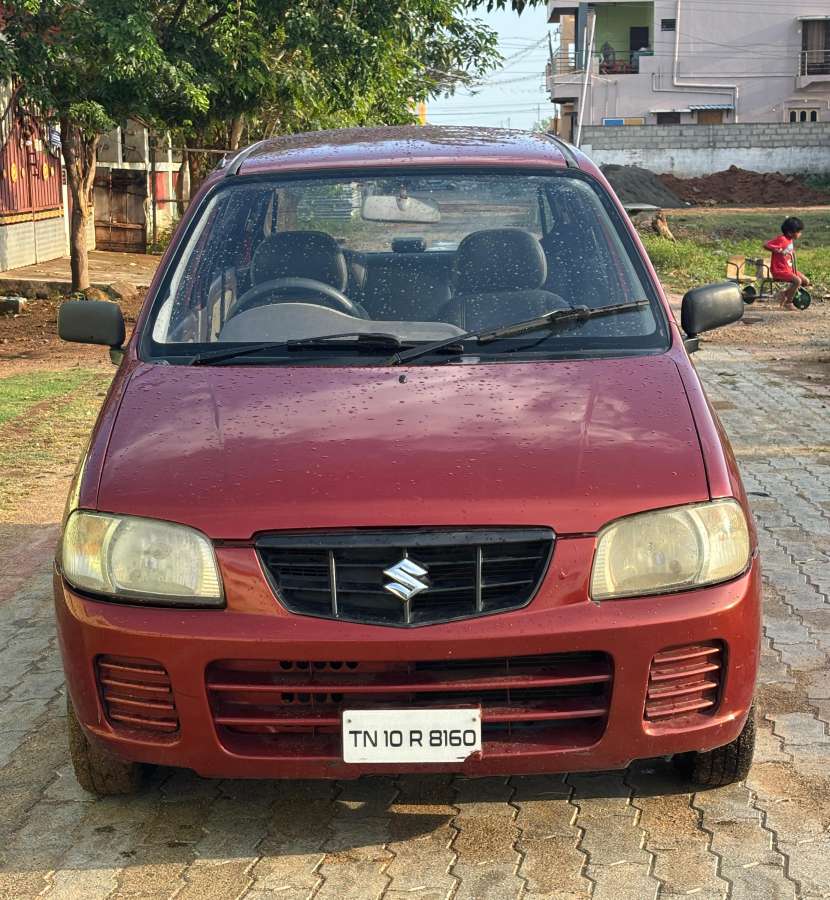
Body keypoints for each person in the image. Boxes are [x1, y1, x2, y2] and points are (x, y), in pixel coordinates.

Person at [764, 216, 810, 310]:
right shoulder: (781, 239)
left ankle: (785, 293)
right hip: (779, 270)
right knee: (797, 281)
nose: (800, 234)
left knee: (805, 281)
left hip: (789, 269)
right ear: (790, 232)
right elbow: (766, 245)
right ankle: (788, 302)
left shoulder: (790, 240)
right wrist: (778, 250)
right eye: (799, 232)